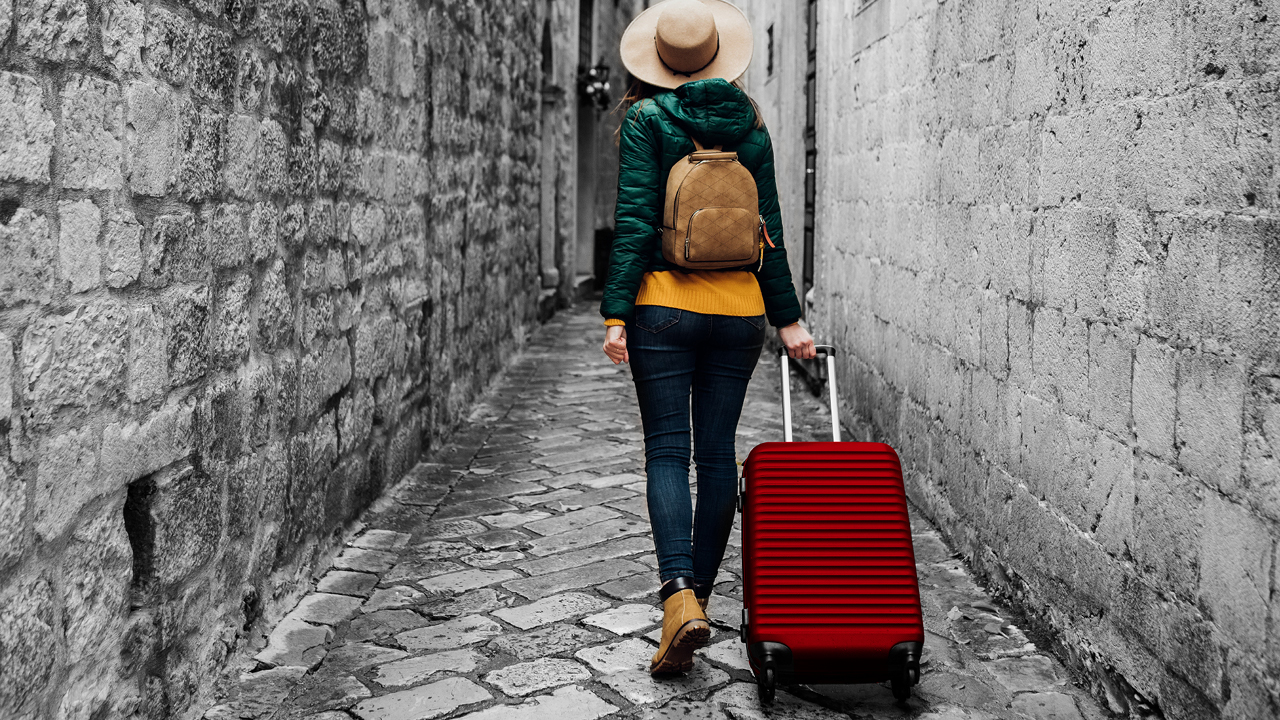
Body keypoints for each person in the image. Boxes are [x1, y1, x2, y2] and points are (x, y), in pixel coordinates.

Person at [601, 0, 817, 675]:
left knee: (668, 452)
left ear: (655, 61)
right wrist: (790, 320)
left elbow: (635, 221)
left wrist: (615, 314)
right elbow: (771, 229)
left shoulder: (645, 119)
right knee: (717, 453)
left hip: (662, 307)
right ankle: (697, 597)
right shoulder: (750, 127)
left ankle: (679, 598)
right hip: (739, 312)